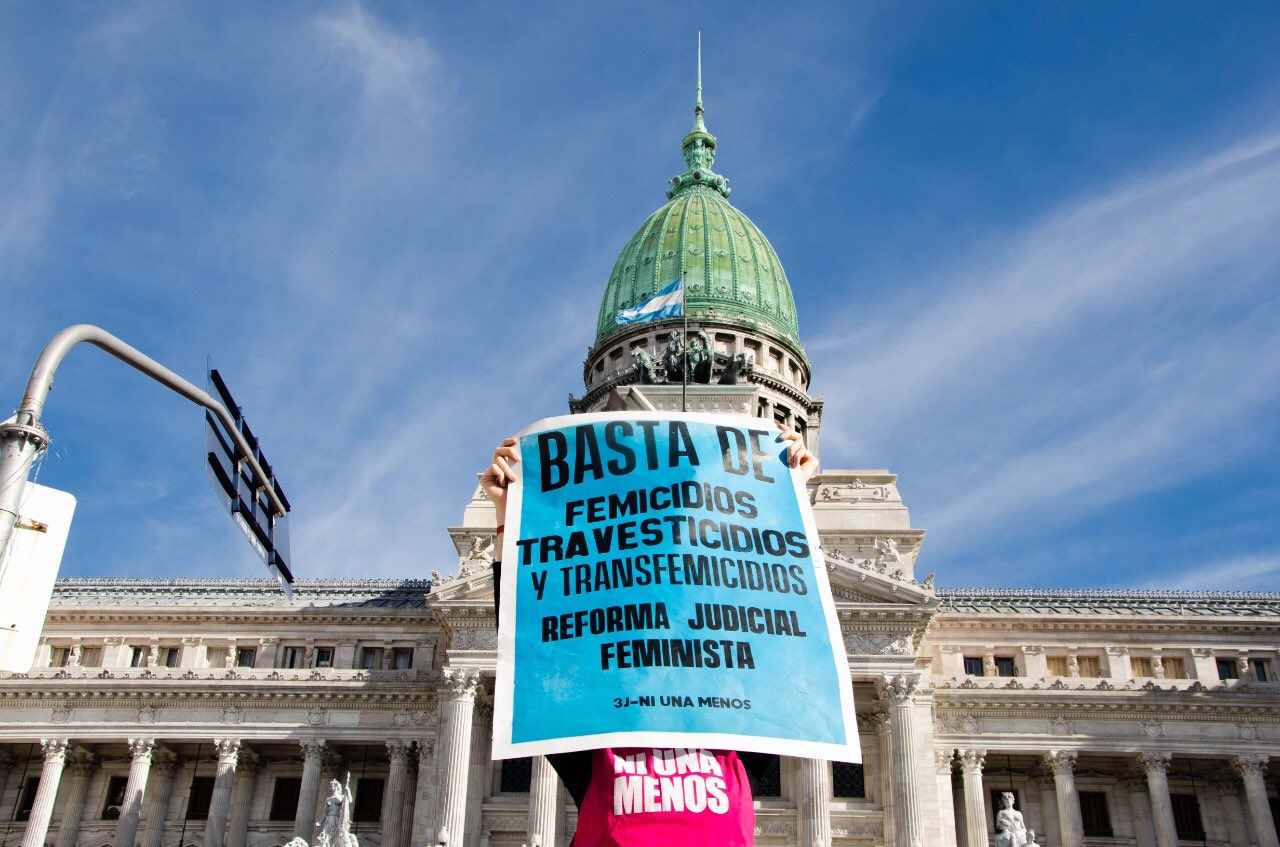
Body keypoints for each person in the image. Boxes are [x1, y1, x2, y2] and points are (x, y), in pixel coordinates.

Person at [480, 422, 819, 847]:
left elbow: (780, 627)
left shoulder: (738, 746)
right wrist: (508, 514)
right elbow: (532, 644)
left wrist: (789, 495)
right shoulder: (595, 753)